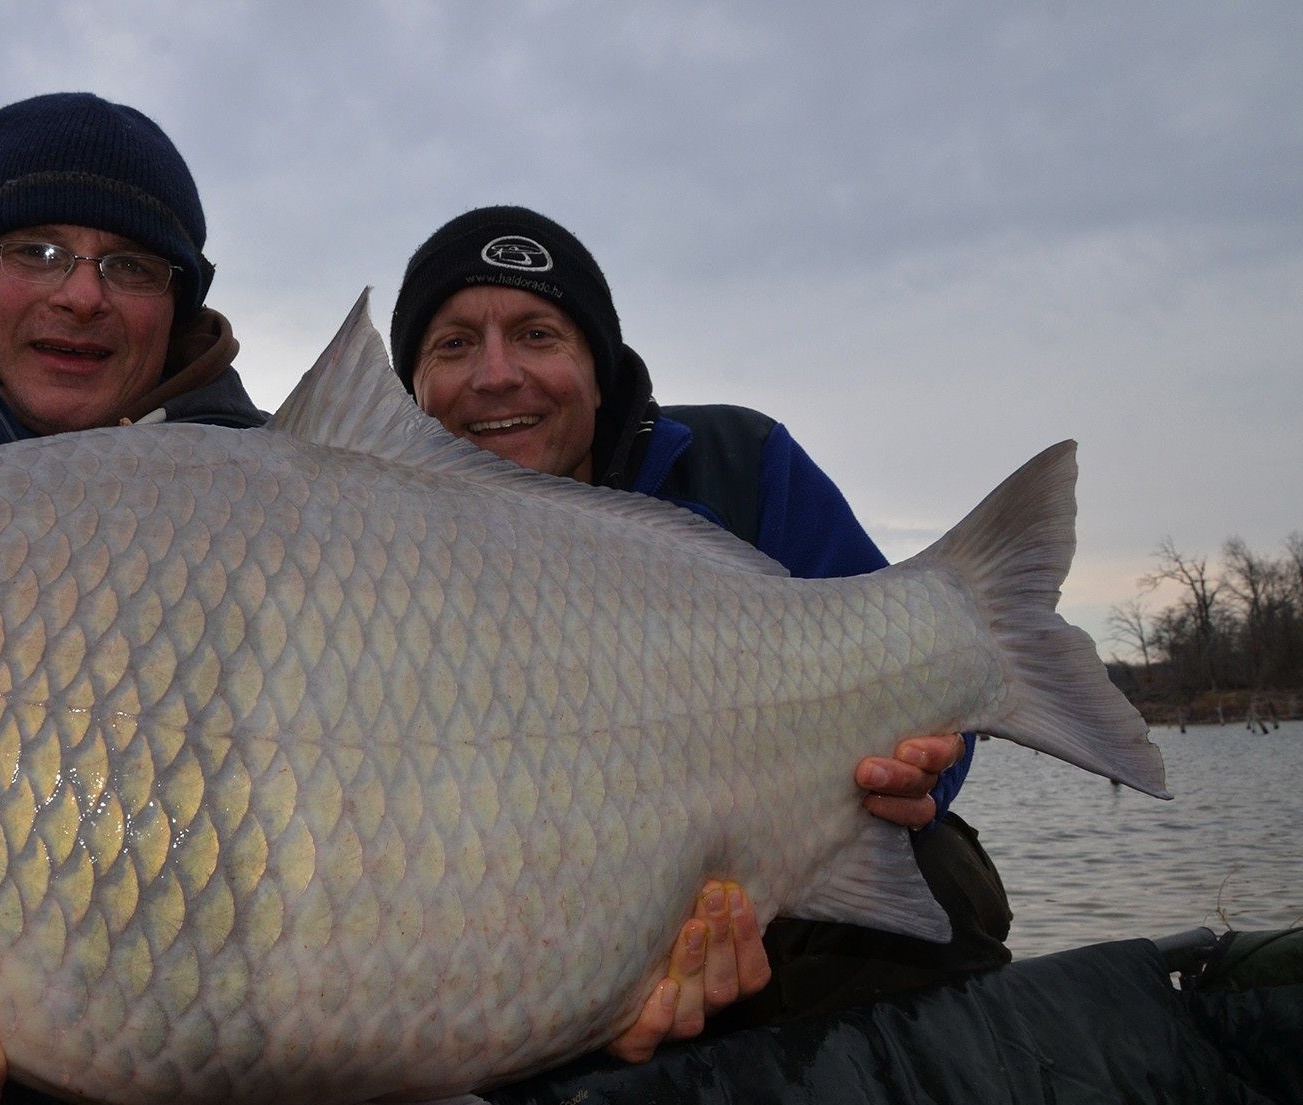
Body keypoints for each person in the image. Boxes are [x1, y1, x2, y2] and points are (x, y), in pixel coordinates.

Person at [0, 99, 757, 1105]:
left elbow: (423, 782)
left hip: (249, 1049)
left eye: (131, 266)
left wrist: (614, 930)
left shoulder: (295, 490)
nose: (80, 293)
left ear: (178, 306)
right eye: (37, 251)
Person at [386, 205, 1014, 1048]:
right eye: (454, 344)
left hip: (761, 891)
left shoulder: (740, 464)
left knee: (943, 880)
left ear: (598, 368)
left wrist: (920, 773)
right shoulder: (363, 544)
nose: (497, 374)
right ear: (413, 390)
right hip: (492, 912)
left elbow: (925, 682)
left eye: (537, 334)